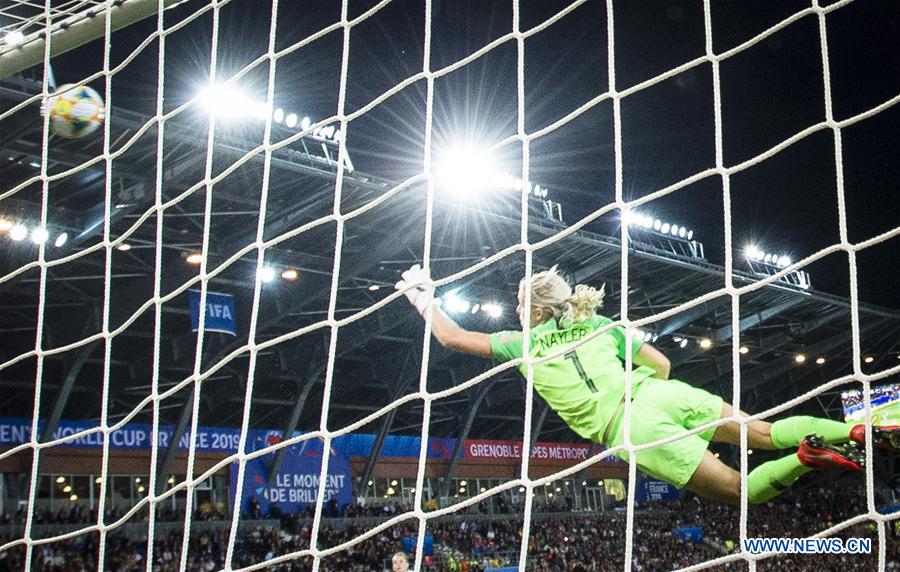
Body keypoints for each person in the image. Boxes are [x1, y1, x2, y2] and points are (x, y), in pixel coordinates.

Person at [396, 264, 899, 506]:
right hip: (658, 392)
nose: (516, 308)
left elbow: (451, 336)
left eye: (520, 303)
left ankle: (805, 459)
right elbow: (660, 363)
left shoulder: (519, 344)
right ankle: (850, 431)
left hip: (632, 426)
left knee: (741, 493)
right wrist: (649, 388)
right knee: (762, 433)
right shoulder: (600, 325)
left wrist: (424, 296)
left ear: (533, 310)